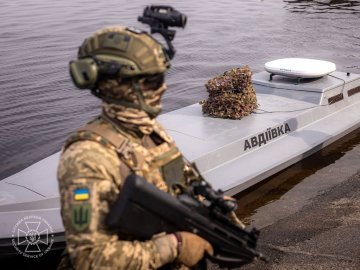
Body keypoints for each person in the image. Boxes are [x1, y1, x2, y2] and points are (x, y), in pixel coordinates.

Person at [57, 26, 214, 270]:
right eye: (153, 81)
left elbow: (178, 187)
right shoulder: (86, 157)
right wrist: (175, 246)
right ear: (122, 86)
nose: (163, 88)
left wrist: (208, 209)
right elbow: (89, 259)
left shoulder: (150, 131)